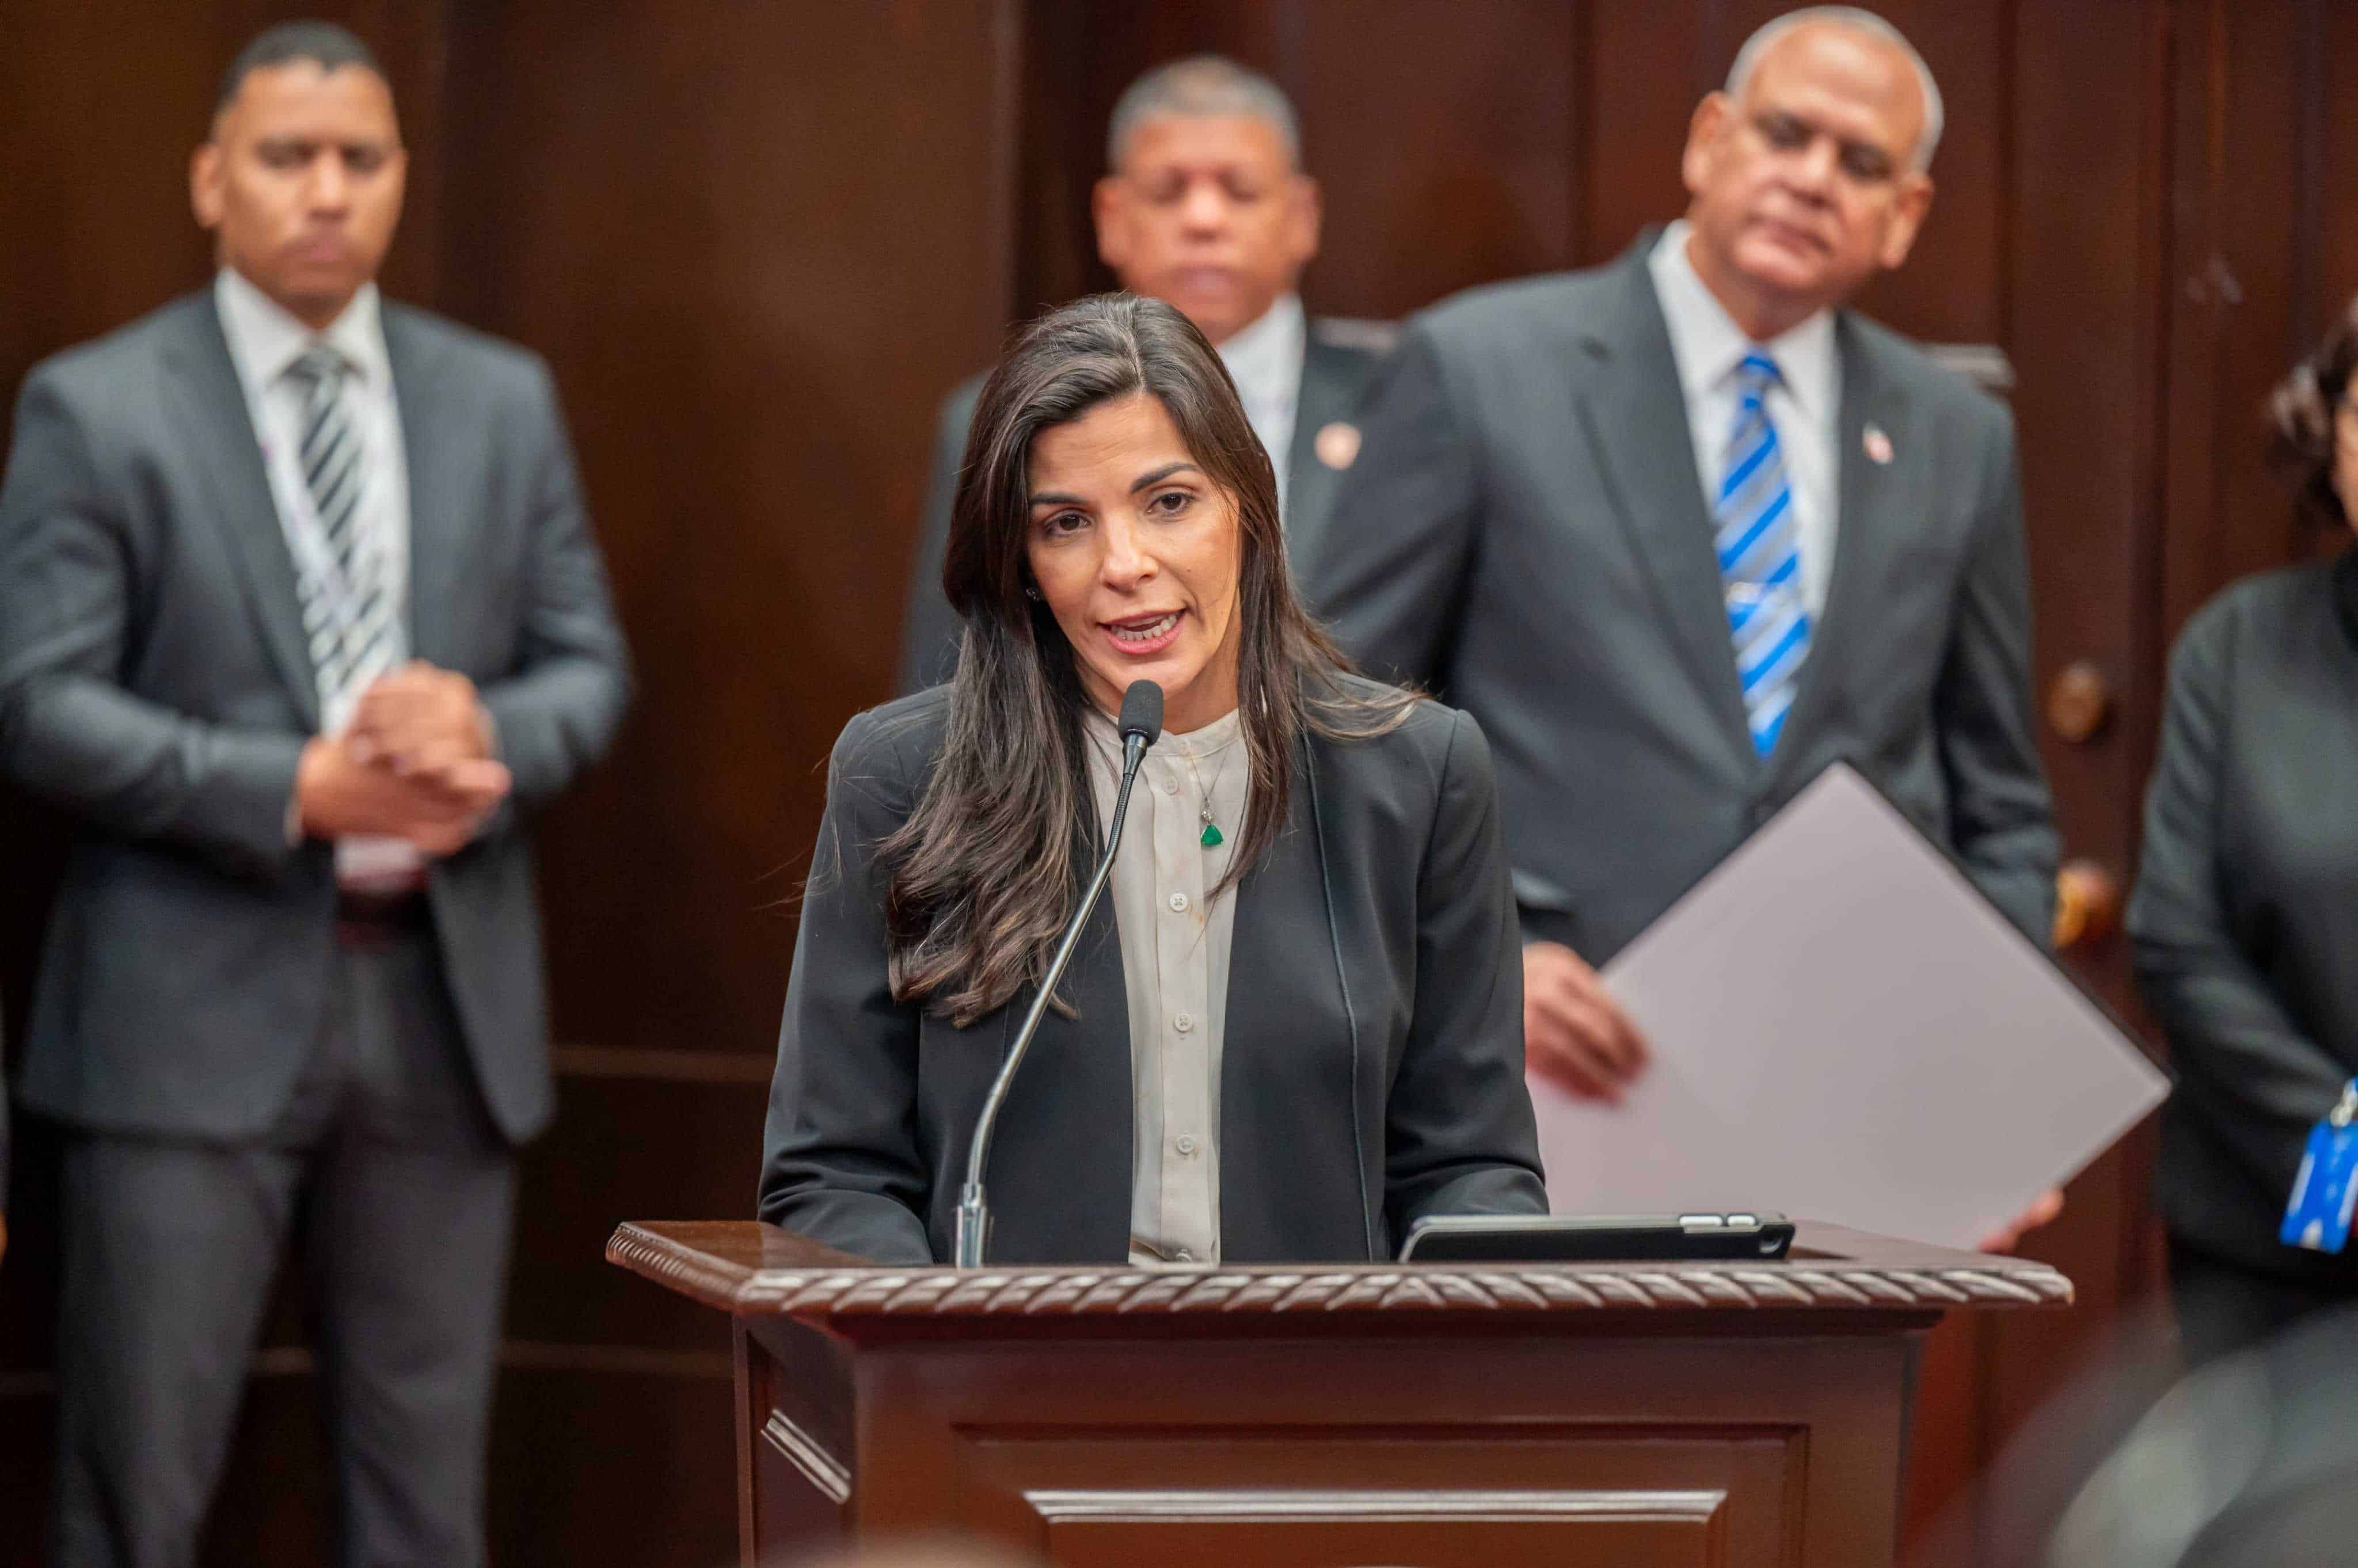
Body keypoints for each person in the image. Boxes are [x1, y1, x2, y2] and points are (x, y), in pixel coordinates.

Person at [0, 23, 630, 1565]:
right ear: (212, 181)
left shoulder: (500, 396)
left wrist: (479, 733)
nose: (327, 190)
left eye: (360, 158)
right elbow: (35, 701)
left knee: (425, 1512)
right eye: (288, 157)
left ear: (402, 180)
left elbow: (590, 668)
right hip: (178, 1023)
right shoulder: (100, 405)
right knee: (133, 1500)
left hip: (441, 1009)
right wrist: (302, 784)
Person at [1301, 6, 2060, 1250]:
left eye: (1859, 163)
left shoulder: (1953, 437)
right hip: (1541, 1088)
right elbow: (1333, 726)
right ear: (1708, 141)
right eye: (1784, 134)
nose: (1811, 179)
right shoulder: (1483, 367)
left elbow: (2000, 802)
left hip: (1847, 1119)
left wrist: (1982, 1079)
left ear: (1904, 214)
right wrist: (1483, 961)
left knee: (1825, 1450)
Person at [762, 294, 1544, 1265]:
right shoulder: (902, 776)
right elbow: (833, 1175)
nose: (1121, 564)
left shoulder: (1417, 776)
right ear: (1022, 562)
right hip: (999, 1392)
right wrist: (938, 1351)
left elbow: (1469, 1169)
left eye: (1168, 501)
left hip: (1321, 1387)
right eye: (1064, 523)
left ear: (1247, 510)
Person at [897, 55, 1390, 692]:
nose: (1203, 220)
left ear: (1302, 216)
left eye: (1239, 190)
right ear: (1111, 218)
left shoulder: (1399, 402)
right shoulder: (989, 419)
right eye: (1168, 192)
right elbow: (947, 682)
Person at [2128, 299, 2358, 1369]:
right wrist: (2343, 1148)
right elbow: (2178, 935)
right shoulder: (2241, 644)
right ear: (2330, 431)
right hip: (2267, 1246)